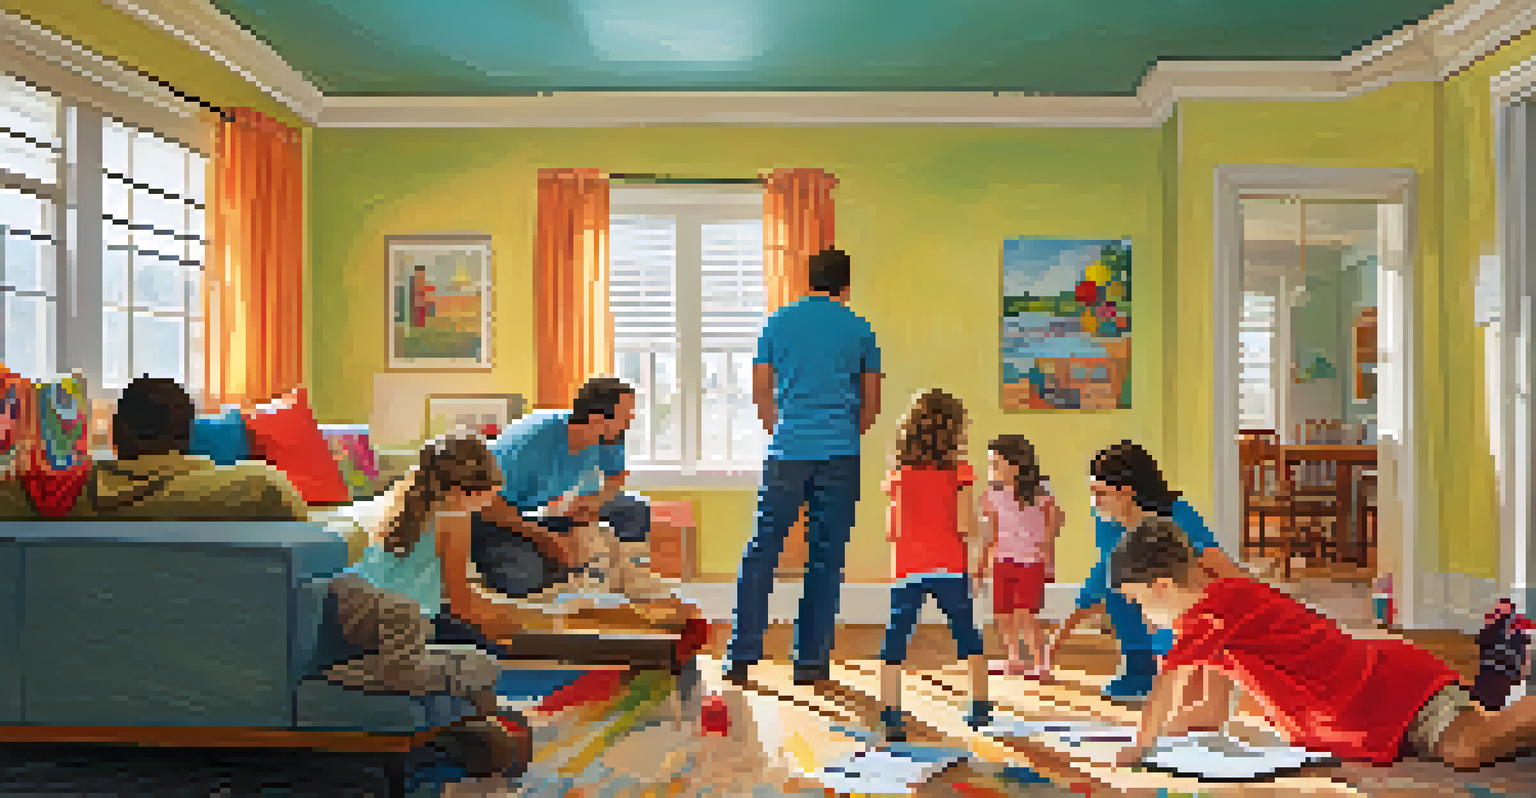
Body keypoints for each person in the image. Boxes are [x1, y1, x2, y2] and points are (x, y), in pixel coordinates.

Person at [1108, 516, 1536, 771]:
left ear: (1162, 587)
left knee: (1468, 747)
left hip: (1387, 689)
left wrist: (1143, 742)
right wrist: (1167, 730)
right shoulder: (1216, 622)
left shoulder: (1213, 611)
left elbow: (1168, 680)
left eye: (1138, 603)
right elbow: (1212, 710)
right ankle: (1500, 692)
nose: (1142, 617)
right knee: (1485, 738)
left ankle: (1514, 683)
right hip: (1365, 712)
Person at [324, 431, 530, 779]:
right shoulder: (455, 518)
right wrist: (511, 627)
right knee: (486, 654)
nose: (491, 499)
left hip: (354, 613)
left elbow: (459, 594)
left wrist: (501, 610)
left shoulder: (403, 500)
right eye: (487, 492)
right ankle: (476, 727)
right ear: (462, 491)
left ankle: (480, 724)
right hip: (397, 626)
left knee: (472, 648)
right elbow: (462, 604)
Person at [725, 247, 884, 686]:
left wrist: (781, 429)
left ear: (809, 281)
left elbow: (761, 390)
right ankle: (810, 662)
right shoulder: (859, 328)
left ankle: (741, 655)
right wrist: (850, 433)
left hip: (787, 452)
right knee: (825, 557)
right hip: (839, 454)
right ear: (846, 286)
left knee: (763, 550)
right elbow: (871, 400)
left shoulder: (778, 322)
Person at [465, 375, 691, 628]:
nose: (630, 422)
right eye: (625, 416)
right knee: (523, 577)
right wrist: (547, 538)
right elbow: (488, 505)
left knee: (633, 509)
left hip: (536, 511)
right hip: (492, 517)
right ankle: (573, 578)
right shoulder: (530, 441)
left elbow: (616, 478)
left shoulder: (609, 438)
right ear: (596, 420)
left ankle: (621, 575)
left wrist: (594, 502)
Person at [1044, 440, 1245, 700]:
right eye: (1092, 492)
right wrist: (1058, 639)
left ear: (1127, 492)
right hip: (1151, 608)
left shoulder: (1177, 518)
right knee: (1118, 588)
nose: (1094, 502)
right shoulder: (1107, 523)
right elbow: (1101, 578)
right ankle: (1139, 669)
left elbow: (1221, 567)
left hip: (1191, 608)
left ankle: (1176, 669)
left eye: (1100, 493)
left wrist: (1257, 611)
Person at [0, 376, 310, 521]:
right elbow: (322, 548)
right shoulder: (263, 489)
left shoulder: (51, 497)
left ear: (116, 434)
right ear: (187, 438)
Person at [877, 389, 991, 742]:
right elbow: (963, 526)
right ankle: (980, 706)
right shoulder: (960, 473)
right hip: (948, 567)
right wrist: (983, 529)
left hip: (908, 568)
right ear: (954, 433)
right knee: (968, 636)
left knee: (895, 639)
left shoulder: (898, 475)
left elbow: (891, 530)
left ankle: (891, 713)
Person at [981, 435, 1061, 678]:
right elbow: (990, 529)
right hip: (1002, 560)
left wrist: (1047, 550)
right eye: (990, 463)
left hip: (1030, 561)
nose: (991, 469)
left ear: (1015, 464)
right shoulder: (991, 493)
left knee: (1027, 613)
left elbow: (1054, 520)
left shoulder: (1041, 490)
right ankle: (1014, 658)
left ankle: (1040, 663)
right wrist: (983, 560)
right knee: (1003, 612)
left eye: (996, 463)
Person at [1474, 598, 1533, 711]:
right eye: (1498, 609)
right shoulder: (1491, 627)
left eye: (1502, 609)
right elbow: (1481, 643)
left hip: (1504, 672)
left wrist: (1522, 675)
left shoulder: (1517, 629)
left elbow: (1523, 653)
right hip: (1490, 669)